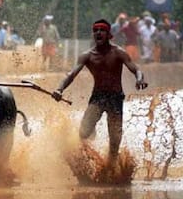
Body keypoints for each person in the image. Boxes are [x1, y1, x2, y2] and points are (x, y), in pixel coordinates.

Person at [52, 19, 148, 171]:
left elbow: (136, 69)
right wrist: (59, 89)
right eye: (95, 30)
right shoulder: (87, 56)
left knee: (114, 142)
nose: (98, 32)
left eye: (102, 30)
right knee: (83, 133)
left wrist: (140, 79)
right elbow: (71, 74)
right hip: (98, 97)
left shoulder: (118, 52)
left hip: (115, 99)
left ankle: (112, 170)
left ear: (108, 34)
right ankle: (88, 163)